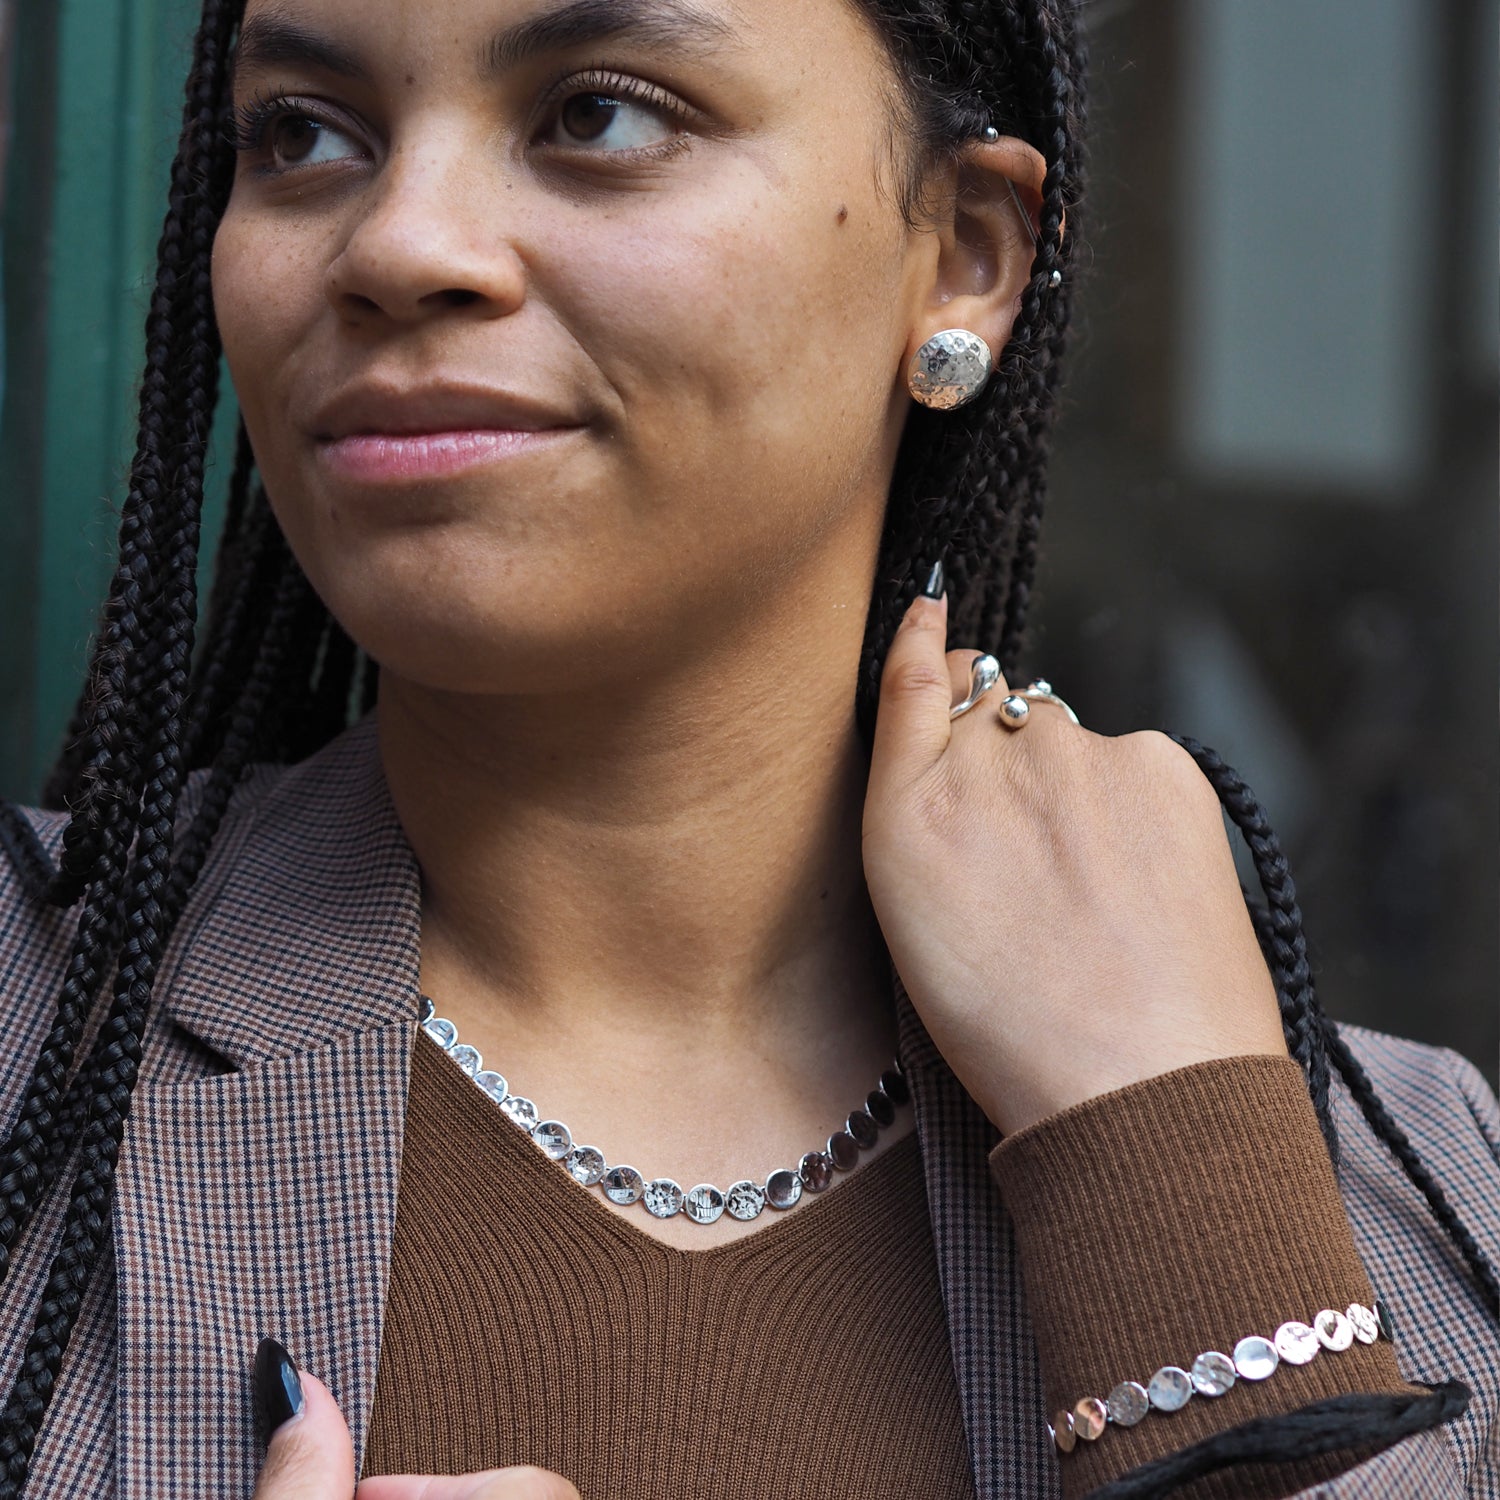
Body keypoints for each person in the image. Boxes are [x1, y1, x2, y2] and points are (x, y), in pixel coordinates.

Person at [0, 0, 1495, 1496]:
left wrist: (1190, 1188)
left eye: (598, 114)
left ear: (966, 255)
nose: (398, 244)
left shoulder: (1412, 1182)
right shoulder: (34, 1043)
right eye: (302, 134)